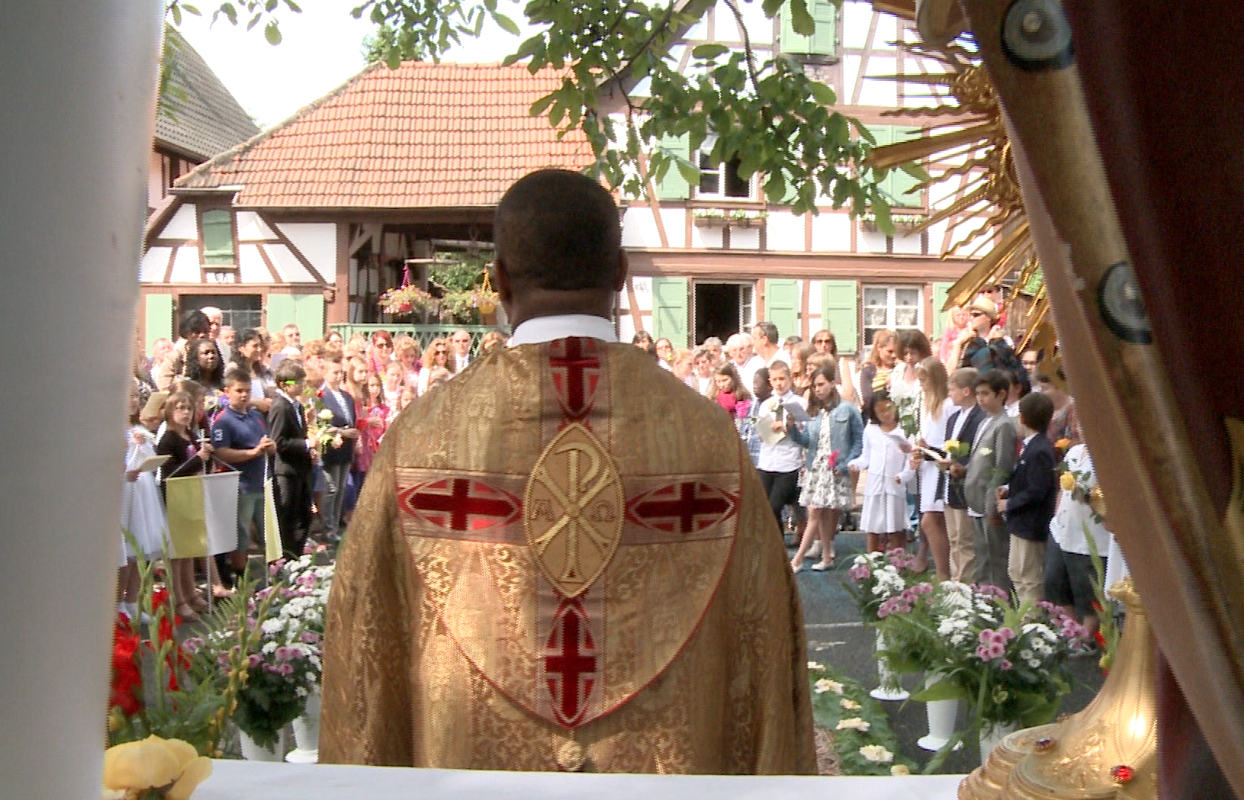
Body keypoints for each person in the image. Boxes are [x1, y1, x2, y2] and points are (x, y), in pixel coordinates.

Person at [321, 168, 815, 773]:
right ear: (620, 273)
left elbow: (363, 637)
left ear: (498, 280)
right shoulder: (707, 438)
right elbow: (763, 639)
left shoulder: (423, 438)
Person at [786, 364, 863, 571]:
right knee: (820, 513)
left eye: (821, 384)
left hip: (834, 467)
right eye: (815, 386)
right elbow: (807, 441)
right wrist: (791, 428)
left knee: (816, 513)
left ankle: (798, 559)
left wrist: (847, 464)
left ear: (832, 383)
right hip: (816, 466)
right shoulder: (815, 411)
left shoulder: (847, 409)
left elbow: (858, 440)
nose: (818, 389)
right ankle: (827, 556)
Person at [210, 369, 276, 582]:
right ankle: (241, 578)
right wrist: (252, 452)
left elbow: (265, 440)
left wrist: (269, 447)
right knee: (241, 534)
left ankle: (271, 576)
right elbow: (220, 452)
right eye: (239, 391)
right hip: (240, 485)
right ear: (227, 391)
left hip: (261, 481)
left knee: (268, 533)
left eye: (248, 391)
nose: (244, 395)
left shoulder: (255, 416)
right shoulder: (223, 420)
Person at [155, 391, 213, 622]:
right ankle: (177, 598)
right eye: (180, 408)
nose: (186, 412)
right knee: (177, 552)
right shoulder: (168, 439)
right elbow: (171, 472)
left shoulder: (189, 434)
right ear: (169, 412)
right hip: (175, 497)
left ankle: (190, 593)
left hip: (191, 494)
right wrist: (198, 459)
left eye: (189, 408)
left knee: (189, 549)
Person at [996, 391, 1057, 606]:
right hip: (1020, 523)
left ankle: (1031, 620)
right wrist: (1008, 489)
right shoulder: (1031, 446)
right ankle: (1024, 616)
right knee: (1016, 571)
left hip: (1031, 524)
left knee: (1028, 575)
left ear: (1021, 418)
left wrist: (1009, 503)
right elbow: (1025, 480)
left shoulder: (1039, 449)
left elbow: (1037, 490)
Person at [960, 371, 1016, 594]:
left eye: (985, 394)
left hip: (988, 502)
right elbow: (980, 460)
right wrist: (963, 470)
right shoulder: (985, 422)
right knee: (982, 556)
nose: (980, 399)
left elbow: (1002, 467)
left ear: (1001, 394)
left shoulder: (1004, 425)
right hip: (975, 501)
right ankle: (984, 600)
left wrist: (992, 503)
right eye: (978, 394)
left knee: (995, 558)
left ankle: (1000, 604)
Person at [849, 393, 914, 554]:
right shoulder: (871, 430)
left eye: (888, 408)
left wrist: (904, 475)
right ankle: (870, 562)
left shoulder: (904, 430)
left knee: (895, 527)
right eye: (880, 411)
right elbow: (866, 457)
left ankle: (898, 562)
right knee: (873, 526)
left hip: (895, 485)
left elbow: (910, 460)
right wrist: (855, 464)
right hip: (875, 486)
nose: (886, 414)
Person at [908, 357, 954, 580]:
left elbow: (950, 441)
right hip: (928, 469)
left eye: (925, 380)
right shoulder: (928, 406)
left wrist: (930, 448)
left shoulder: (947, 405)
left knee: (931, 521)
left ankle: (944, 572)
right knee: (932, 521)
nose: (922, 384)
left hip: (940, 468)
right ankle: (943, 570)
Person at [939, 367, 985, 583]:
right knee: (954, 538)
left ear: (967, 391)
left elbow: (980, 453)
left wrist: (962, 466)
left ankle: (965, 583)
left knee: (965, 540)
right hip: (950, 484)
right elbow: (948, 448)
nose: (949, 393)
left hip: (965, 484)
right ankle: (956, 578)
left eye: (952, 389)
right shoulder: (953, 417)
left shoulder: (980, 417)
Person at [266, 360, 313, 557]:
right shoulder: (280, 406)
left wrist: (310, 450)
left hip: (300, 468)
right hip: (286, 471)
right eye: (298, 381)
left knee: (304, 516)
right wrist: (306, 445)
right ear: (285, 384)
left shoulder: (297, 406)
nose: (302, 385)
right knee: (287, 517)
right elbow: (279, 441)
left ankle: (297, 555)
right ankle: (285, 559)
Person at [757, 361, 808, 534]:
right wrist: (765, 431)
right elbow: (761, 433)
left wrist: (788, 427)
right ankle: (776, 542)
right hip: (767, 460)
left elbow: (805, 433)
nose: (779, 383)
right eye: (775, 379)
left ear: (790, 379)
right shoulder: (766, 404)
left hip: (788, 462)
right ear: (770, 381)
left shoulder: (799, 403)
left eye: (782, 379)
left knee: (774, 505)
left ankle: (784, 540)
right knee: (765, 508)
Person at [317, 357, 360, 543]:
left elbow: (353, 419)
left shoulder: (347, 396)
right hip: (331, 449)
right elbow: (320, 425)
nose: (338, 375)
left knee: (341, 488)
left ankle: (334, 527)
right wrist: (343, 431)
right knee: (331, 489)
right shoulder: (321, 397)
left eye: (340, 372)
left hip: (346, 448)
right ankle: (327, 528)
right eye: (334, 372)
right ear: (325, 373)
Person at [857, 329, 898, 409]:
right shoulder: (868, 372)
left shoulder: (901, 370)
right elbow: (867, 398)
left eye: (896, 351)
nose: (894, 355)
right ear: (879, 348)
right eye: (890, 351)